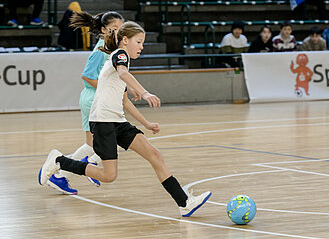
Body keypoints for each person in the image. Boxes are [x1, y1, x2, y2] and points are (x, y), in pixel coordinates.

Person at [38, 21, 212, 217]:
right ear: (125, 40)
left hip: (118, 122)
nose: (141, 47)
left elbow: (125, 102)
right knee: (109, 176)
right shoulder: (119, 55)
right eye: (139, 42)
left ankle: (184, 202)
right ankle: (59, 161)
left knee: (155, 155)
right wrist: (145, 93)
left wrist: (146, 123)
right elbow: (123, 72)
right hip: (103, 121)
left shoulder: (118, 64)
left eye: (143, 43)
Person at [46, 11, 125, 195]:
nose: (118, 33)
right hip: (94, 99)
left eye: (121, 30)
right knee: (116, 139)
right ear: (104, 29)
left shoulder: (110, 47)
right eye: (114, 29)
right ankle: (90, 163)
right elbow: (87, 76)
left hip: (96, 99)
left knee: (92, 145)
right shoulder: (102, 49)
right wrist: (109, 89)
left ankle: (61, 176)